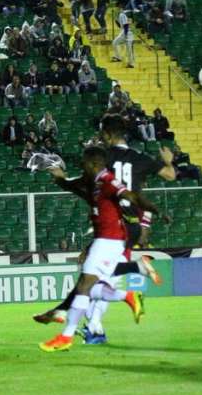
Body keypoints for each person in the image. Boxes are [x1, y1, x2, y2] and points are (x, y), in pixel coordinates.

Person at [38, 146, 157, 352]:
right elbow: (77, 187)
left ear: (93, 163)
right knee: (89, 288)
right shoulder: (94, 183)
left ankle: (70, 335)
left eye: (84, 162)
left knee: (84, 286)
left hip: (109, 240)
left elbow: (130, 195)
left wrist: (153, 210)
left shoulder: (108, 180)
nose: (82, 165)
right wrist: (60, 179)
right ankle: (128, 295)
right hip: (105, 240)